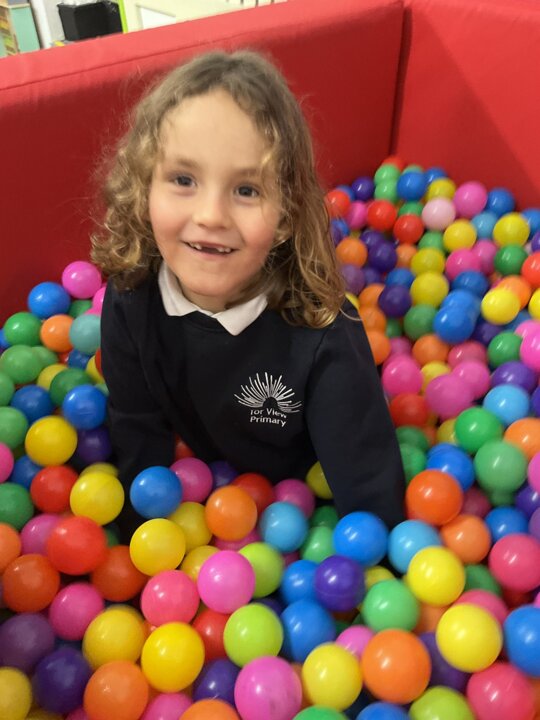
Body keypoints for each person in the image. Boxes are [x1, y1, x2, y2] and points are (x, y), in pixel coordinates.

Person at [92, 49, 405, 538]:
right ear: (143, 188)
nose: (211, 215)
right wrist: (141, 544)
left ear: (285, 215)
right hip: (198, 517)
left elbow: (367, 482)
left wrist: (376, 562)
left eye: (246, 190)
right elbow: (137, 429)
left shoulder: (321, 328)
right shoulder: (131, 297)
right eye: (183, 180)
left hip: (302, 515)